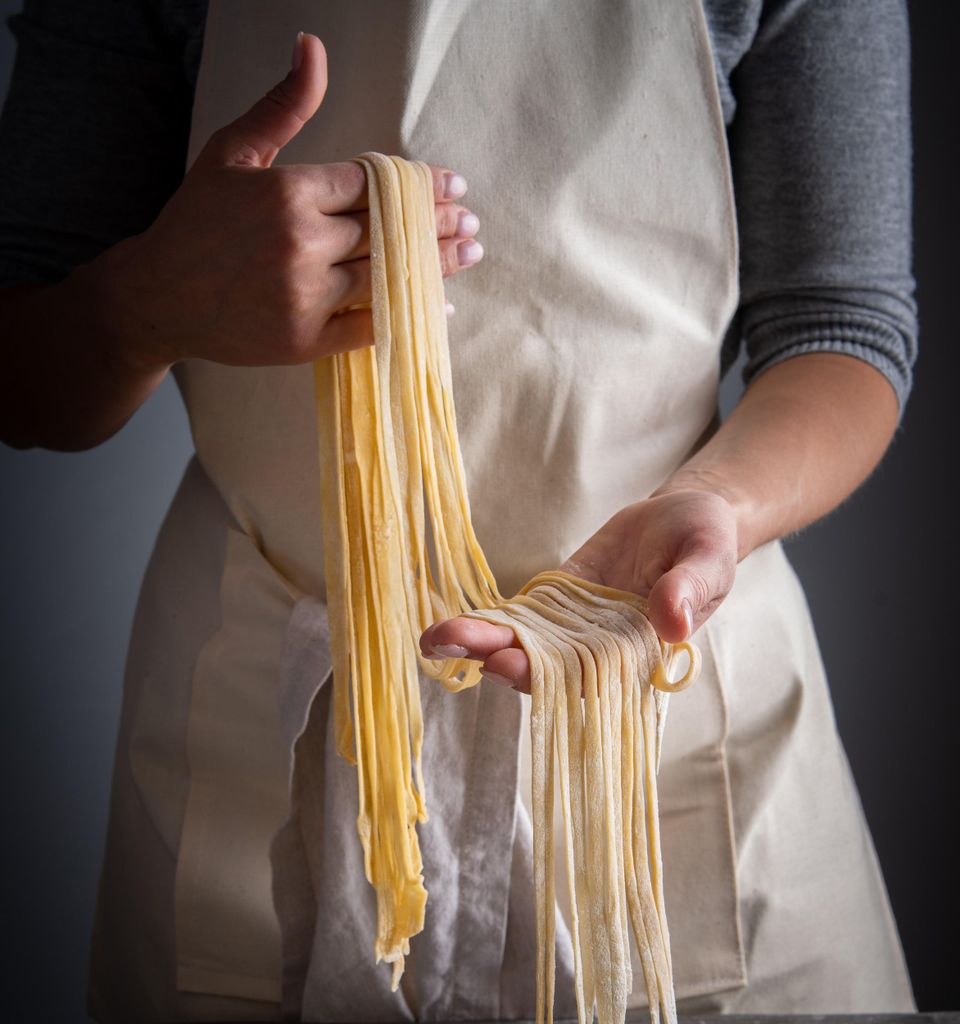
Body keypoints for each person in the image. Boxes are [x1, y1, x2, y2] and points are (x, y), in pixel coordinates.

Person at [0, 1, 917, 1021]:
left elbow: (843, 324)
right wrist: (151, 301)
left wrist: (716, 504)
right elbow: (26, 371)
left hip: (653, 701)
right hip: (269, 724)